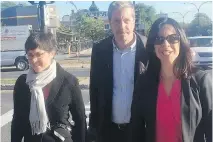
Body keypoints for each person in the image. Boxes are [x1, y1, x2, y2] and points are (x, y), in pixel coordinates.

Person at [129, 17, 212, 142]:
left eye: (173, 38)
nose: (165, 44)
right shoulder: (144, 83)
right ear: (153, 46)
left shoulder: (201, 80)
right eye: (159, 39)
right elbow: (136, 130)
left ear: (181, 42)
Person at [87, 1, 148, 142]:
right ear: (110, 22)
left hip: (140, 131)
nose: (122, 26)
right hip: (108, 131)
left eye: (126, 20)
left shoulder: (147, 49)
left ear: (134, 21)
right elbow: (94, 91)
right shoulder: (99, 50)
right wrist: (93, 128)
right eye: (116, 21)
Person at [11, 32, 86, 142]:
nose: (34, 60)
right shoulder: (23, 83)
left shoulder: (69, 81)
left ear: (52, 53)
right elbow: (18, 119)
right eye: (30, 55)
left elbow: (80, 120)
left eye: (38, 54)